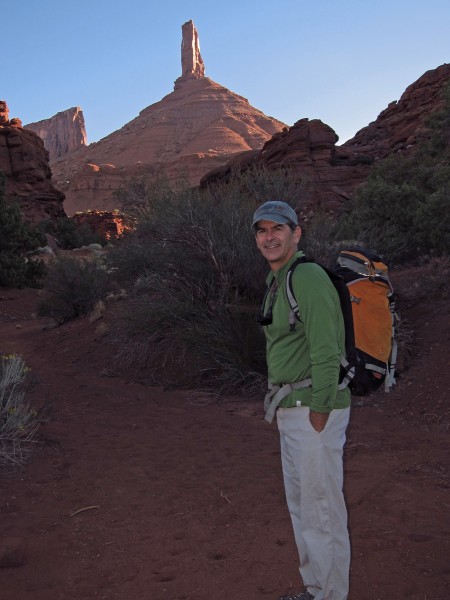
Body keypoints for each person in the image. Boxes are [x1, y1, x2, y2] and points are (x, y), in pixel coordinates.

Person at [252, 200, 351, 600]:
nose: (269, 237)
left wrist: (321, 410)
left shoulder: (307, 276)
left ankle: (330, 595)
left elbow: (327, 348)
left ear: (296, 234)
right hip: (292, 408)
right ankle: (316, 589)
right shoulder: (279, 279)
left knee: (322, 511)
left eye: (278, 228)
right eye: (261, 230)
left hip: (314, 408)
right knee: (303, 508)